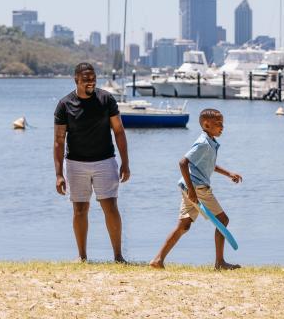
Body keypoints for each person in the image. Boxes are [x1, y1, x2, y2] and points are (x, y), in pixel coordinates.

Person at [53, 61, 130, 262]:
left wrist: (125, 163)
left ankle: (118, 256)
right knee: (79, 210)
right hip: (76, 164)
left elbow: (119, 131)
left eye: (93, 78)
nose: (90, 82)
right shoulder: (64, 105)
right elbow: (59, 141)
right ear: (76, 80)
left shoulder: (106, 99)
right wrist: (59, 174)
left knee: (110, 207)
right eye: (86, 79)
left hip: (105, 161)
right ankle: (82, 257)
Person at [149, 107, 242, 270]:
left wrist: (228, 173)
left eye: (222, 123)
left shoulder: (210, 142)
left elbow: (208, 164)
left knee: (183, 225)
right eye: (218, 123)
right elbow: (183, 163)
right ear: (206, 125)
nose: (222, 126)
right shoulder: (203, 143)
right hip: (197, 187)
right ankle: (220, 263)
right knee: (223, 220)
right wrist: (192, 191)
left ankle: (158, 260)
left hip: (189, 186)